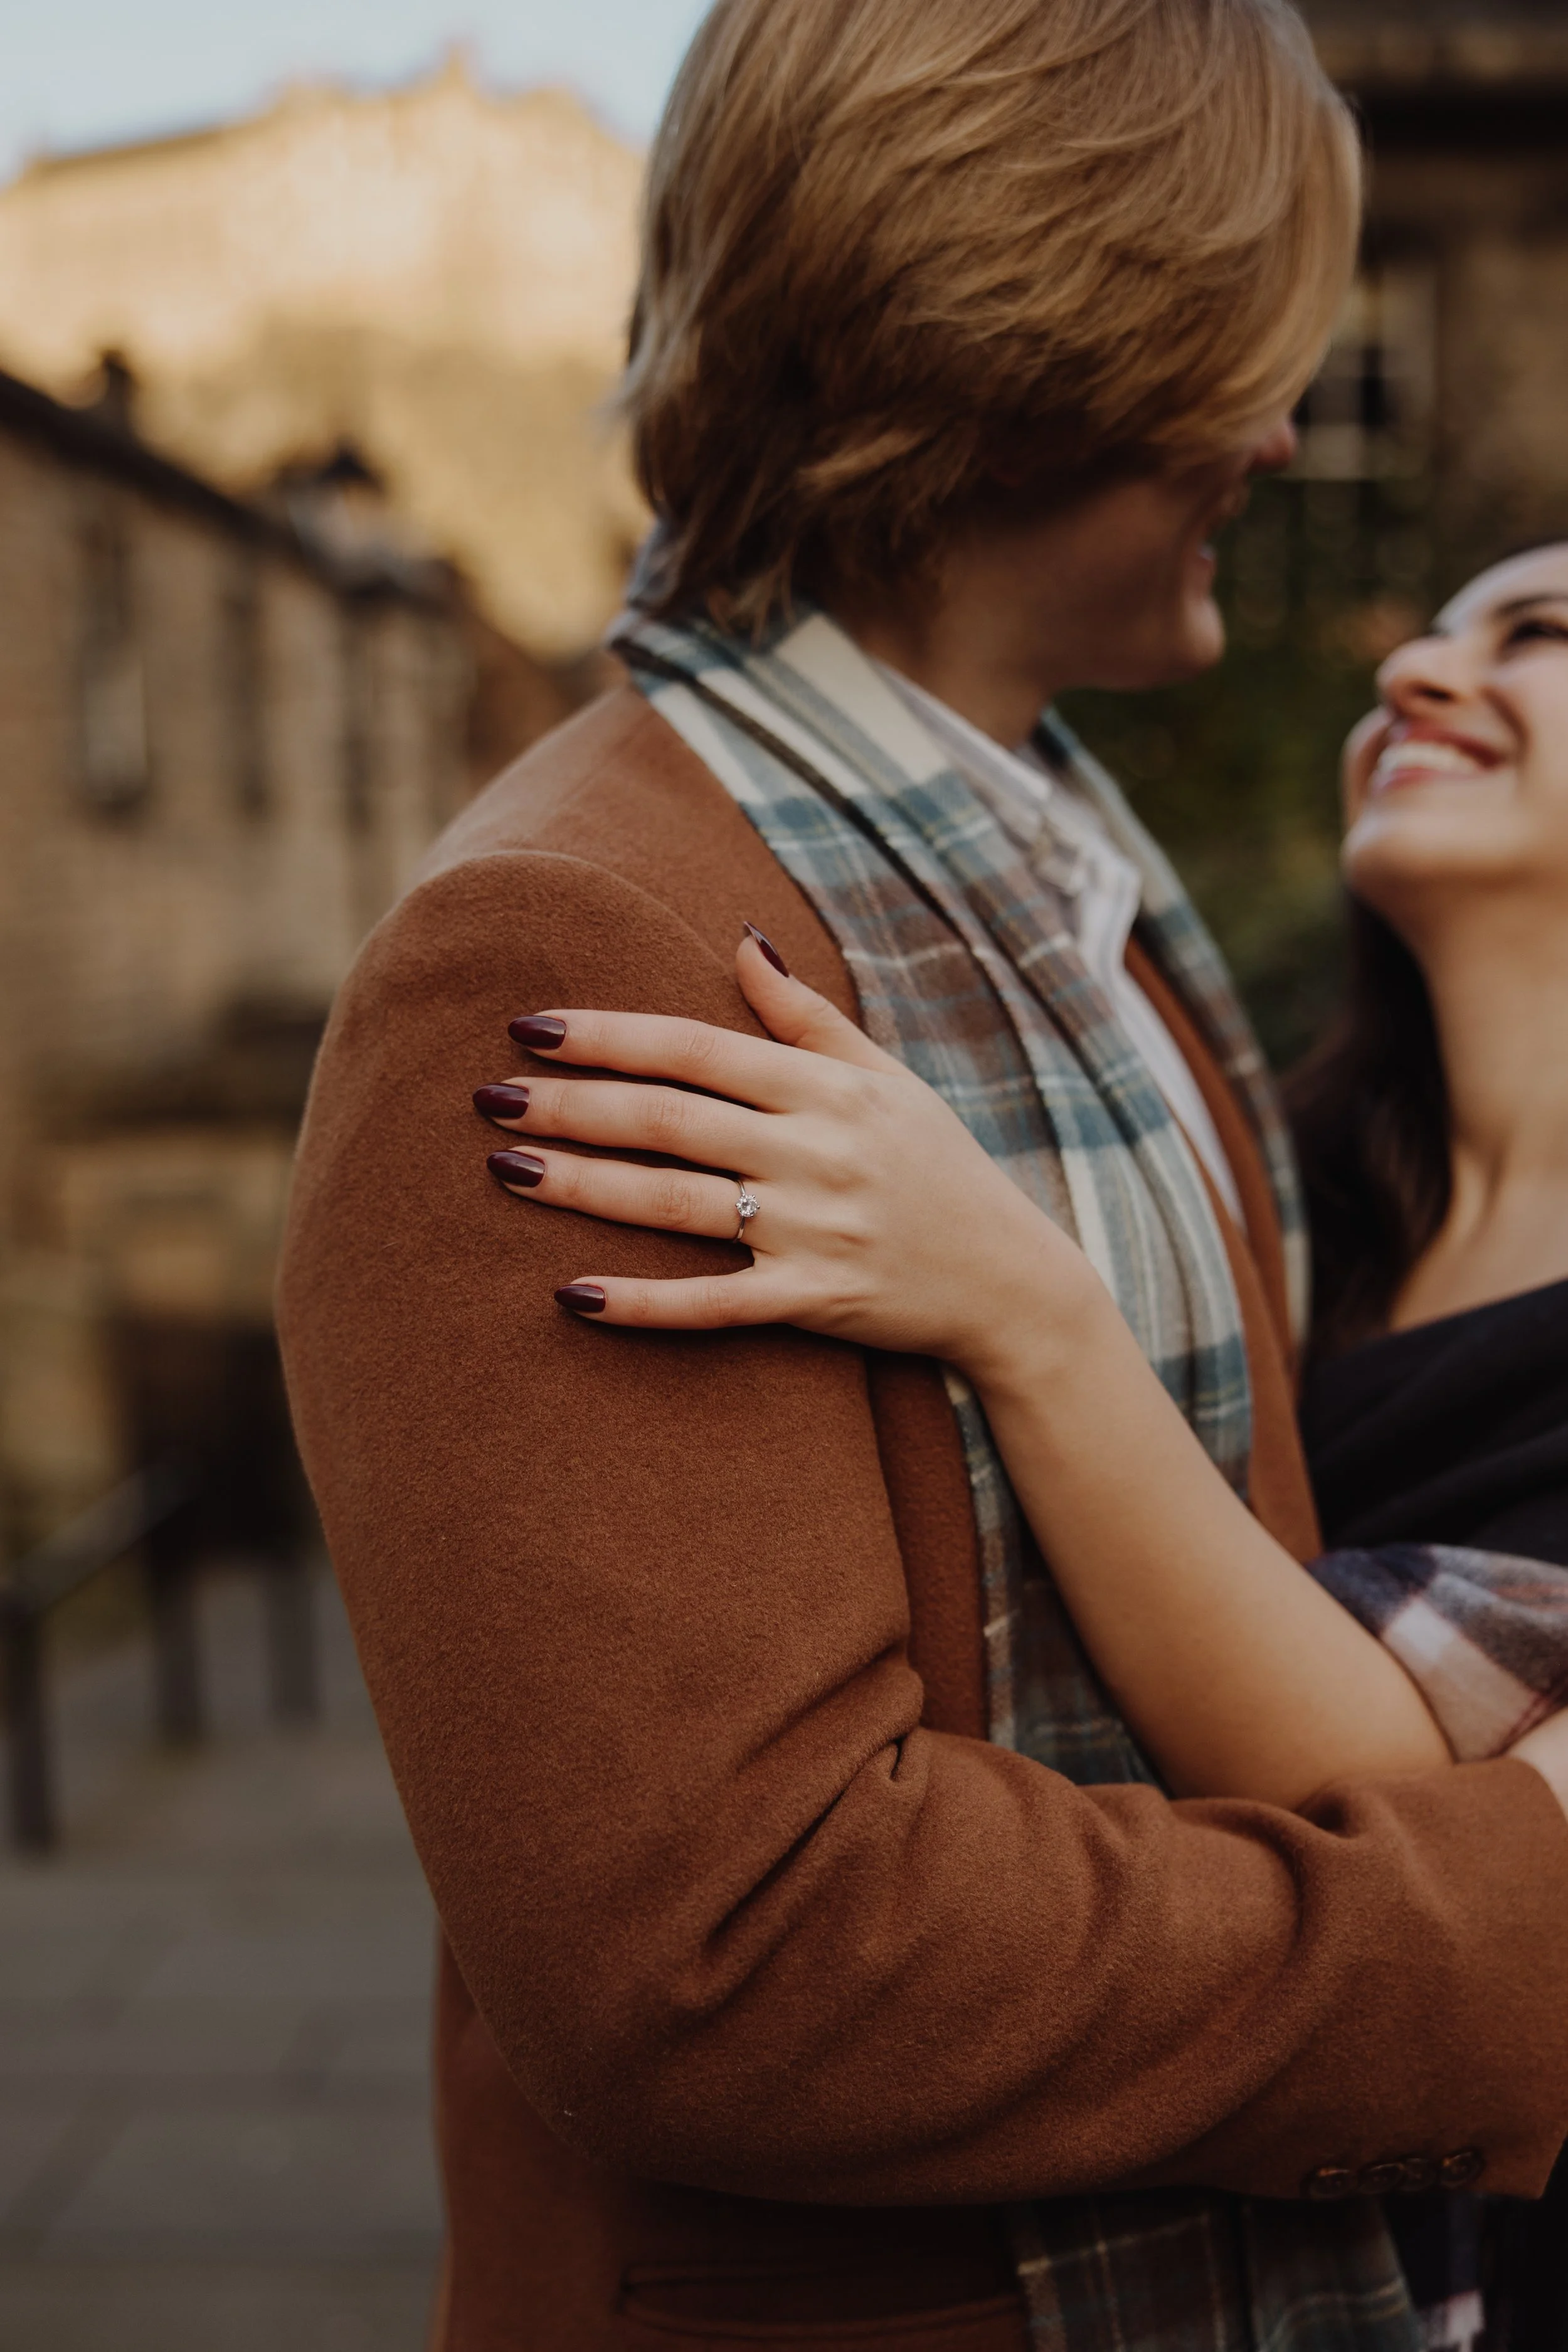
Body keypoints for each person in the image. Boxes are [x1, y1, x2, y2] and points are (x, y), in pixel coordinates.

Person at [276, 5, 1568, 2348]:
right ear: (1043, 354)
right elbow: (737, 1955)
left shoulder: (1077, 887)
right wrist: (1513, 1923)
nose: (1278, 436)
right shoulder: (580, 949)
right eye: (1241, 360)